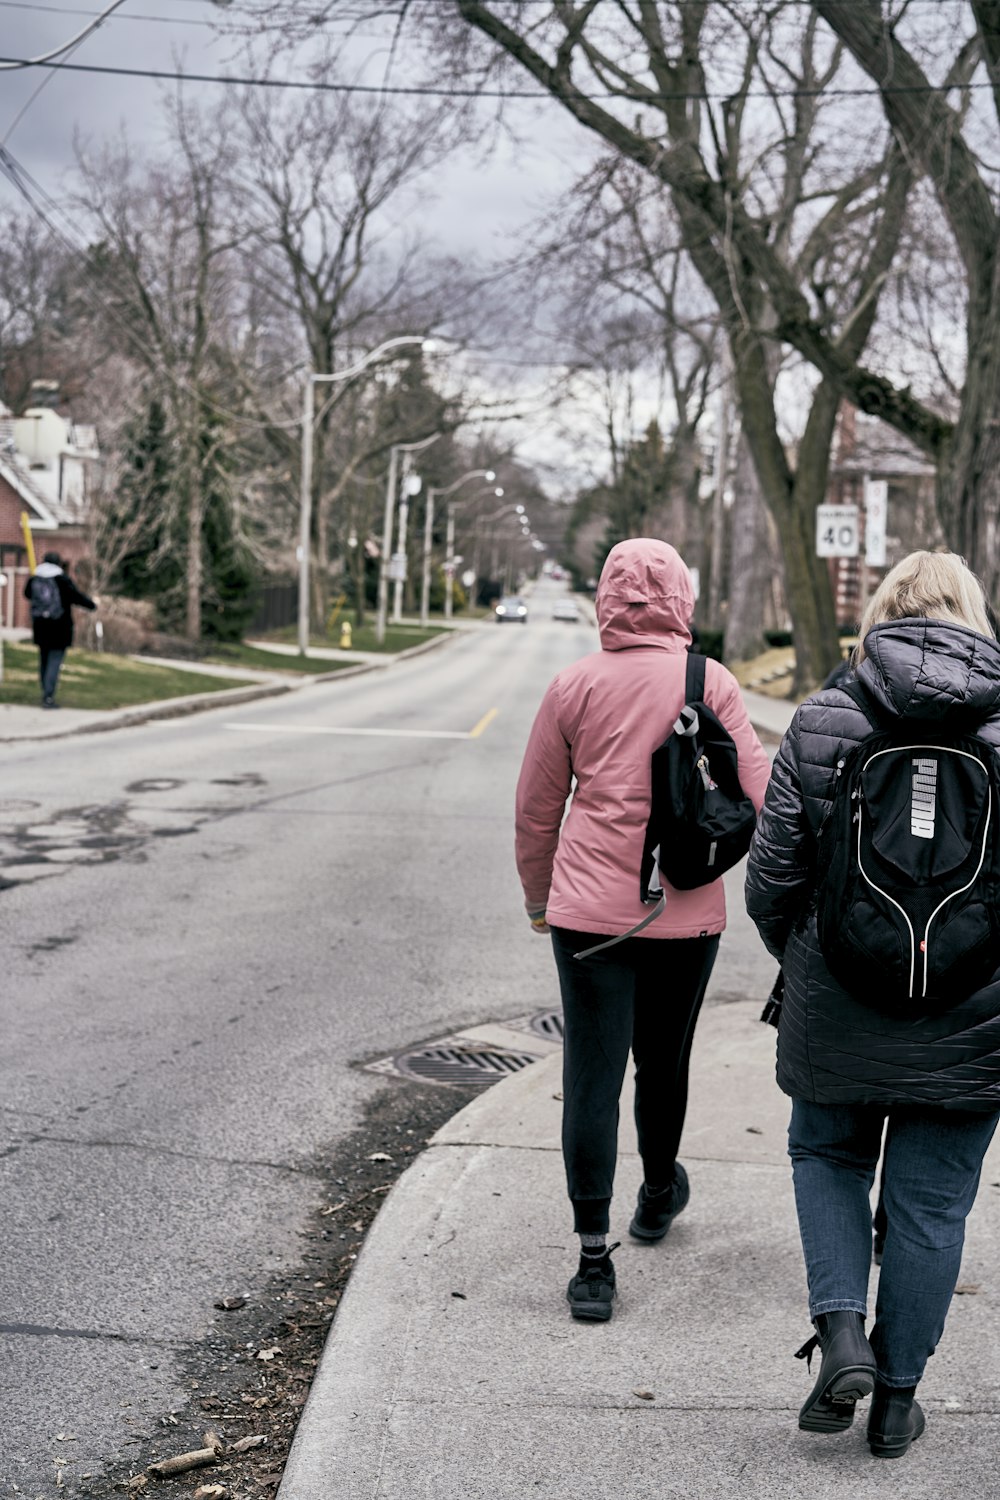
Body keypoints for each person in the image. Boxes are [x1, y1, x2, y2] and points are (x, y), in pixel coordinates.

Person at [745, 550, 1000, 1458]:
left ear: (884, 613)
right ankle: (896, 1401)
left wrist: (817, 961)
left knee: (827, 1155)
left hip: (839, 1005)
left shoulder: (826, 717)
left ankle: (842, 1330)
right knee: (933, 1210)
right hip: (976, 1020)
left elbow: (771, 880)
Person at [515, 538, 771, 1322]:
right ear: (682, 601)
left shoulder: (573, 686)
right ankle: (657, 1195)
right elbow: (761, 797)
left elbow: (536, 811)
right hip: (687, 916)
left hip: (589, 915)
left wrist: (538, 899)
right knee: (663, 1063)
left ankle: (594, 1262)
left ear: (605, 600)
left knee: (592, 1074)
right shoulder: (712, 682)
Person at [23, 551, 97, 708]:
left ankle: (45, 690)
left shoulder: (35, 577)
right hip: (60, 627)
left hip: (41, 626)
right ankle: (48, 696)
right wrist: (92, 605)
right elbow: (76, 597)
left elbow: (27, 594)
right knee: (54, 661)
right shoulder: (62, 579)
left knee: (43, 659)